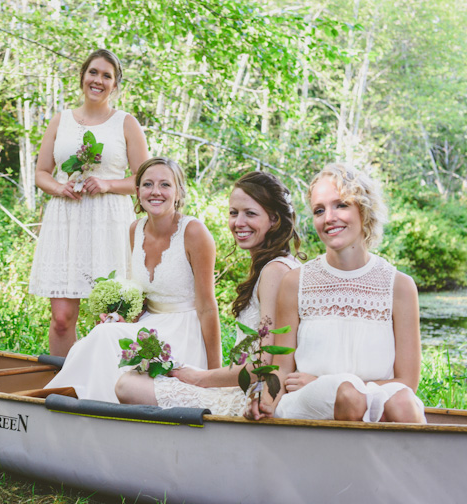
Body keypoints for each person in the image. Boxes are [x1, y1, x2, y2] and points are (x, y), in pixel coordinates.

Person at [247, 163, 425, 423]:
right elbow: (282, 370)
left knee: (403, 400)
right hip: (307, 404)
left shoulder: (399, 286)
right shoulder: (295, 282)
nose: (329, 217)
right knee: (349, 394)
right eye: (319, 210)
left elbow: (406, 381)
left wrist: (321, 382)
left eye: (341, 205)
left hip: (373, 399)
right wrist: (265, 402)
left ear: (364, 211)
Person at [116, 171, 303, 414]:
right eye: (234, 213)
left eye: (251, 213)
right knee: (139, 375)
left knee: (128, 385)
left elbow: (263, 363)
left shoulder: (274, 272)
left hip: (252, 397)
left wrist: (200, 377)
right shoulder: (280, 265)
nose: (239, 222)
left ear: (274, 219)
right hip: (247, 386)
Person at [44, 157, 222, 403]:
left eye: (165, 185)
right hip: (149, 326)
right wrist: (121, 316)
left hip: (183, 331)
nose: (156, 192)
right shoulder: (134, 230)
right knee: (102, 333)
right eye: (148, 184)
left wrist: (214, 375)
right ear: (137, 192)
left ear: (179, 191)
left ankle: (84, 406)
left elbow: (207, 307)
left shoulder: (194, 232)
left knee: (104, 338)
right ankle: (71, 403)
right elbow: (143, 297)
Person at [29, 49, 149, 357]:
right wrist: (59, 187)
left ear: (115, 84)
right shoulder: (61, 120)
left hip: (108, 224)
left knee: (109, 318)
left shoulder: (126, 123)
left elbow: (144, 180)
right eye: (93, 72)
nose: (98, 80)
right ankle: (62, 388)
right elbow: (41, 173)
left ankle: (106, 390)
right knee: (61, 319)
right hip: (65, 221)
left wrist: (108, 184)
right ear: (82, 77)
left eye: (106, 76)